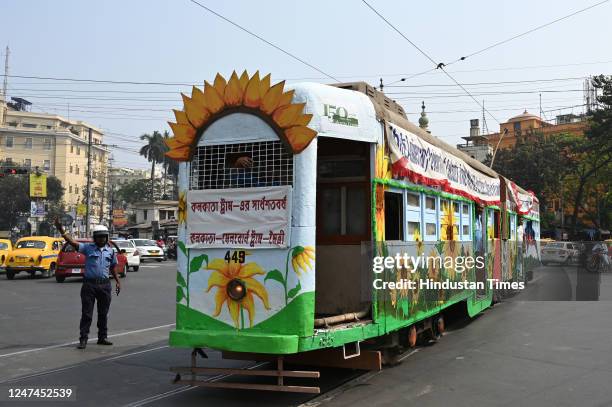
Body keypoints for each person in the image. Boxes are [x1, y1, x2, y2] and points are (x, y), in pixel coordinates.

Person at [54, 218, 120, 349]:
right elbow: (72, 241)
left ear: (107, 238)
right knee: (87, 313)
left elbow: (113, 267)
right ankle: (83, 339)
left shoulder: (111, 251)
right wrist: (61, 230)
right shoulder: (87, 248)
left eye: (103, 237)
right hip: (89, 285)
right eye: (99, 237)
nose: (101, 239)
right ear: (95, 238)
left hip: (105, 285)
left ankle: (102, 337)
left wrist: (118, 282)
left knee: (103, 313)